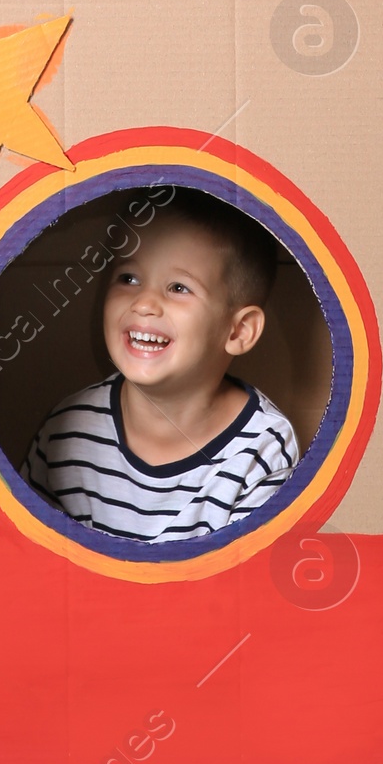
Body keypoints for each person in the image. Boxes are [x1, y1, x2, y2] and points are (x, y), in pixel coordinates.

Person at [23, 186, 299, 543]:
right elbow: (29, 562)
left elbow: (246, 590)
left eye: (179, 288)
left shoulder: (261, 449)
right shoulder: (67, 429)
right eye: (129, 278)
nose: (144, 303)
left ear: (239, 331)